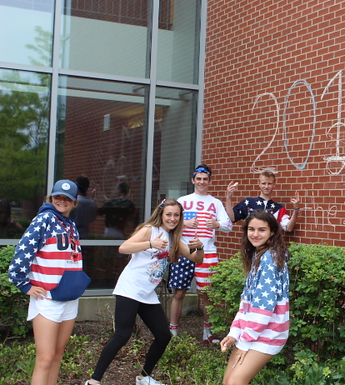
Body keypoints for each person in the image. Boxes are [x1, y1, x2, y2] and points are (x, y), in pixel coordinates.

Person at [84, 198, 204, 385]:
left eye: (176, 215)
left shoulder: (175, 239)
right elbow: (124, 248)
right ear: (161, 214)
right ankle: (93, 381)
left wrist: (200, 247)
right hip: (130, 288)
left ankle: (144, 377)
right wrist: (150, 244)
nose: (172, 218)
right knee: (122, 335)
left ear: (180, 218)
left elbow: (196, 259)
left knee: (163, 336)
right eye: (169, 214)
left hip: (147, 294)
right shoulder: (149, 230)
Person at [8, 179, 89, 385]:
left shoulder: (70, 224)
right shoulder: (43, 219)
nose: (62, 201)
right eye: (57, 197)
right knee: (44, 359)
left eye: (67, 198)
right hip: (48, 298)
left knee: (57, 355)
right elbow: (22, 252)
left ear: (74, 202)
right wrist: (24, 285)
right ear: (51, 198)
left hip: (69, 297)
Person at [220, 210, 290, 385]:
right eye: (251, 229)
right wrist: (235, 333)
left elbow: (264, 307)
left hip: (268, 334)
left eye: (261, 230)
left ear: (272, 232)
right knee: (228, 381)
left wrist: (246, 339)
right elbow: (247, 302)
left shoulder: (269, 258)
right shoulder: (258, 255)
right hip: (251, 331)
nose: (255, 234)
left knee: (235, 382)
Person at [168, 164, 233, 343]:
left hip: (208, 252)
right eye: (199, 179)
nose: (202, 182)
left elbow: (229, 225)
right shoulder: (182, 200)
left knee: (206, 294)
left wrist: (217, 225)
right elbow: (168, 221)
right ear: (193, 180)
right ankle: (172, 331)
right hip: (184, 251)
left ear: (209, 181)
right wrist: (184, 223)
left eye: (205, 179)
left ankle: (208, 332)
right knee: (179, 292)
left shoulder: (215, 203)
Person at [225, 170, 301, 232]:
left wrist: (296, 209)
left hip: (270, 247)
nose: (266, 186)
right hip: (251, 247)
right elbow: (232, 218)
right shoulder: (248, 202)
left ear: (274, 184)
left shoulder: (278, 208)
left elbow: (289, 228)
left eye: (269, 183)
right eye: (263, 183)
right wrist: (228, 198)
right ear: (259, 184)